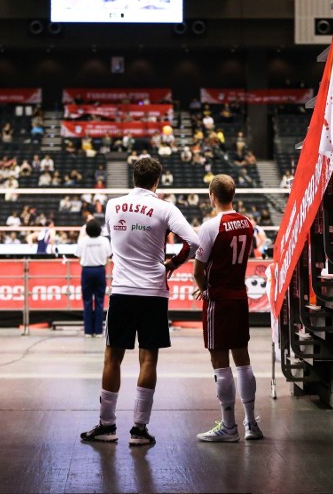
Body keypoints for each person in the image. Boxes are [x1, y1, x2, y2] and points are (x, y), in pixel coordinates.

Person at [80, 157, 200, 446]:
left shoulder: (112, 205)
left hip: (122, 291)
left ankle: (106, 426)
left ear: (134, 178)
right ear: (157, 181)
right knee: (148, 359)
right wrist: (172, 264)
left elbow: (119, 238)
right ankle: (139, 430)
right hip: (153, 293)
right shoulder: (165, 208)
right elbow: (194, 241)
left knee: (112, 358)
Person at [192, 174, 264, 442]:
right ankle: (251, 424)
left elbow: (198, 270)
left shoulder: (210, 227)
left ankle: (228, 426)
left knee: (219, 361)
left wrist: (205, 288)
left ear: (212, 195)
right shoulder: (248, 223)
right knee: (243, 359)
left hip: (218, 299)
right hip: (239, 295)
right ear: (233, 195)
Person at [75, 218, 112, 337]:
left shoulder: (82, 241)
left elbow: (79, 258)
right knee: (100, 301)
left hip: (87, 271)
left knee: (87, 301)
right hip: (100, 270)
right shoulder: (104, 241)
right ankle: (99, 331)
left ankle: (88, 331)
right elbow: (108, 257)